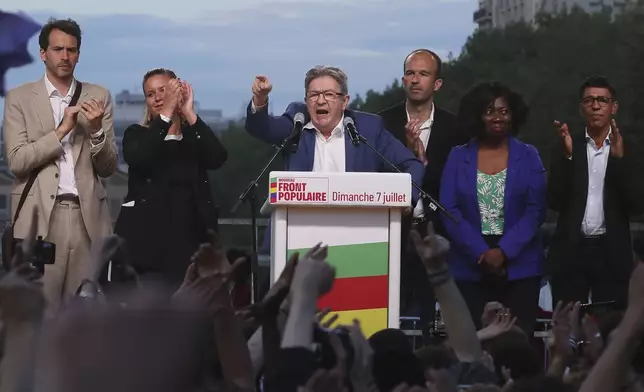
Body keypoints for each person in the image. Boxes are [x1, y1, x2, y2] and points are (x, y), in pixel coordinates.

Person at [2, 18, 118, 315]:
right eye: (58, 49)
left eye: (72, 50)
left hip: (87, 219)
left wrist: (96, 132)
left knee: (81, 320)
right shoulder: (19, 98)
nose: (65, 56)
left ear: (79, 54)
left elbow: (107, 168)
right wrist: (61, 131)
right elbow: (17, 162)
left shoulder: (99, 95)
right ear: (43, 53)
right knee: (37, 315)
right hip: (38, 219)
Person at [440, 82, 547, 336]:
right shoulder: (457, 156)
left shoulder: (530, 155)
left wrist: (503, 252)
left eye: (504, 111)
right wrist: (481, 253)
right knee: (473, 346)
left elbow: (535, 210)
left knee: (517, 344)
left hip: (520, 266)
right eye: (490, 111)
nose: (498, 117)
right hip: (469, 264)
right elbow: (449, 209)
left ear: (514, 116)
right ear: (477, 116)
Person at [379, 49, 470, 340]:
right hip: (391, 234)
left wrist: (422, 164)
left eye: (423, 74)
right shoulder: (380, 124)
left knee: (435, 325)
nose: (415, 80)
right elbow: (374, 175)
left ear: (437, 84)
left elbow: (459, 184)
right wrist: (407, 155)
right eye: (410, 73)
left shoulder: (457, 128)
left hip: (438, 234)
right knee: (390, 320)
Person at [114, 68, 228, 291]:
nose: (157, 98)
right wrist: (165, 116)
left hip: (192, 244)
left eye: (164, 91)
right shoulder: (136, 134)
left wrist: (189, 113)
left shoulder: (193, 137)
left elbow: (217, 157)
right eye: (150, 94)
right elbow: (140, 158)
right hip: (148, 247)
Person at [245, 65, 423, 193]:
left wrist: (405, 201)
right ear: (306, 101)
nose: (321, 101)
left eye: (329, 94)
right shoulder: (296, 125)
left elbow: (412, 166)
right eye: (314, 95)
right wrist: (260, 98)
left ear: (344, 102)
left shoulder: (368, 129)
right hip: (299, 229)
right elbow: (261, 128)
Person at [547, 76, 644, 309]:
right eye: (589, 100)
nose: (596, 105)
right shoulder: (568, 145)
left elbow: (637, 204)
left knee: (610, 325)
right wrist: (568, 157)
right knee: (567, 326)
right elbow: (554, 200)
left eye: (602, 100)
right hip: (571, 251)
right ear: (581, 108)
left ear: (614, 107)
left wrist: (620, 161)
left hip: (612, 253)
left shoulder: (630, 148)